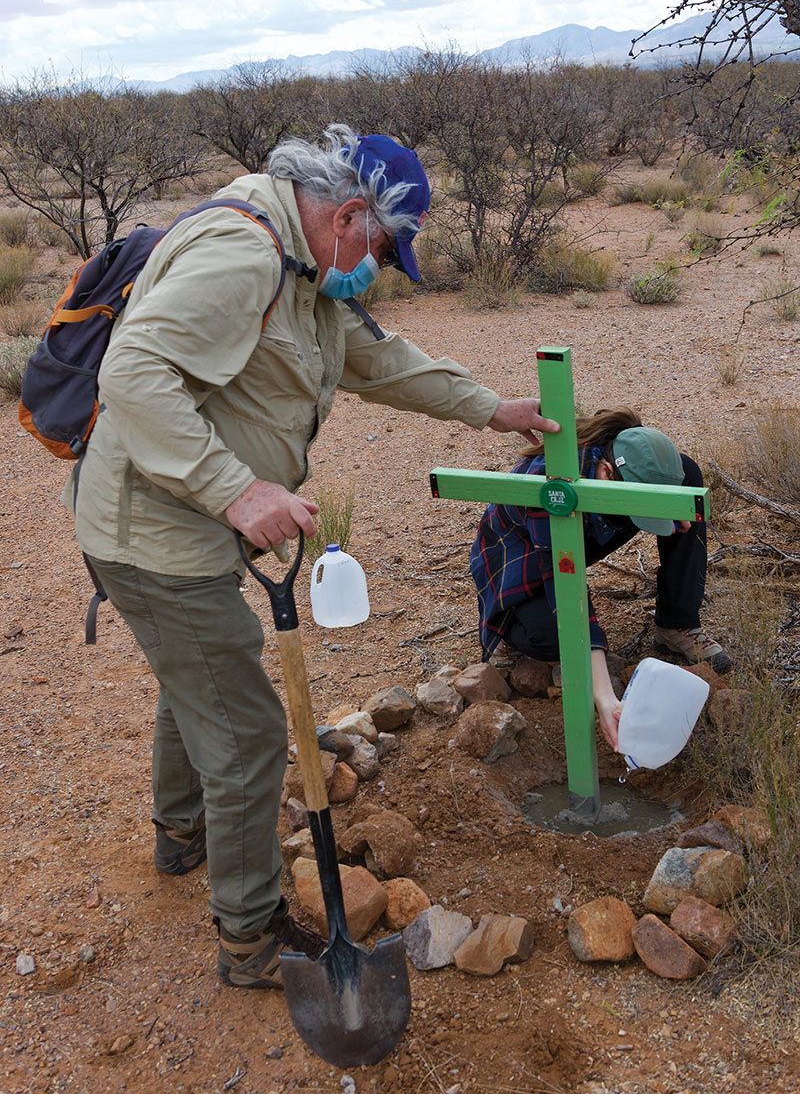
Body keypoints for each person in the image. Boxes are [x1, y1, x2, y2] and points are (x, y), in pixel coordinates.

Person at [64, 123, 559, 990]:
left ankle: (182, 836)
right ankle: (252, 938)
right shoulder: (245, 256)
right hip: (152, 529)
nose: (375, 264)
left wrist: (490, 409)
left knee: (204, 680)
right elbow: (135, 373)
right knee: (249, 727)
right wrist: (236, 489)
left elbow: (378, 358)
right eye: (379, 245)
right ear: (350, 214)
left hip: (184, 525)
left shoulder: (307, 271)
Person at [469, 407, 731, 753]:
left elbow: (668, 491)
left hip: (587, 518)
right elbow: (566, 590)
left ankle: (676, 624)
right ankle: (510, 634)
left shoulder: (622, 450)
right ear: (606, 473)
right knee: (548, 635)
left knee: (688, 471)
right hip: (521, 562)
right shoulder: (551, 489)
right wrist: (605, 696)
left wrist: (679, 510)